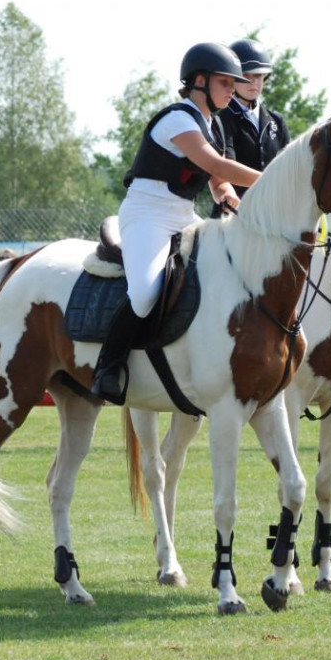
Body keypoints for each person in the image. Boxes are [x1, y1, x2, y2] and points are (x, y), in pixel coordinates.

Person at [91, 43, 263, 404]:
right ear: (199, 81)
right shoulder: (178, 120)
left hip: (183, 215)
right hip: (147, 214)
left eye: (234, 84)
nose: (232, 90)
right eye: (225, 83)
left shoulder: (213, 125)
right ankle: (108, 366)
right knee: (145, 293)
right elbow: (215, 165)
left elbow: (218, 181)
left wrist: (229, 198)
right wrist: (270, 180)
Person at [212, 39, 291, 217]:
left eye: (259, 76)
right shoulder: (221, 120)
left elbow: (290, 169)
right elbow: (227, 169)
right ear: (233, 78)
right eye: (247, 76)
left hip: (275, 216)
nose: (254, 82)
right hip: (234, 213)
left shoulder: (277, 121)